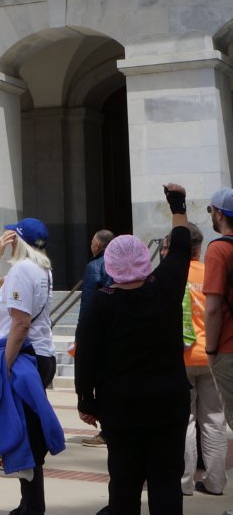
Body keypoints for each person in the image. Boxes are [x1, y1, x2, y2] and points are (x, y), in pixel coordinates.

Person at [75, 186, 190, 515]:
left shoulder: (101, 303)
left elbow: (86, 356)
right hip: (168, 403)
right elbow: (181, 246)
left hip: (120, 407)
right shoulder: (166, 286)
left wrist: (86, 399)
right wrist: (177, 204)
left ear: (109, 265)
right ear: (145, 260)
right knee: (167, 482)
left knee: (124, 485)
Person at [0, 217, 61, 515]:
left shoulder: (23, 270)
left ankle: (33, 506)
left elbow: (20, 323)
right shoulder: (39, 268)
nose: (8, 239)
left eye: (12, 237)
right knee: (27, 430)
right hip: (38, 355)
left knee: (27, 432)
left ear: (20, 240)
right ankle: (29, 502)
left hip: (24, 356)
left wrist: (5, 364)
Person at [179, 222, 225, 497]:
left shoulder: (171, 275)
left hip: (182, 356)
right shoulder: (210, 271)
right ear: (199, 247)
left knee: (185, 420)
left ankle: (183, 483)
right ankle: (215, 481)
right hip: (211, 354)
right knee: (214, 420)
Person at [78, 228, 114, 448]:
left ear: (98, 246)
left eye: (92, 242)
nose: (90, 246)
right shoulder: (119, 264)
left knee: (100, 382)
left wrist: (82, 334)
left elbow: (88, 304)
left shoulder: (94, 266)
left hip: (99, 333)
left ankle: (106, 430)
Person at [202, 187, 233, 441]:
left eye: (211, 210)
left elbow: (213, 308)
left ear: (220, 214)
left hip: (228, 347)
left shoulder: (218, 250)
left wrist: (210, 351)